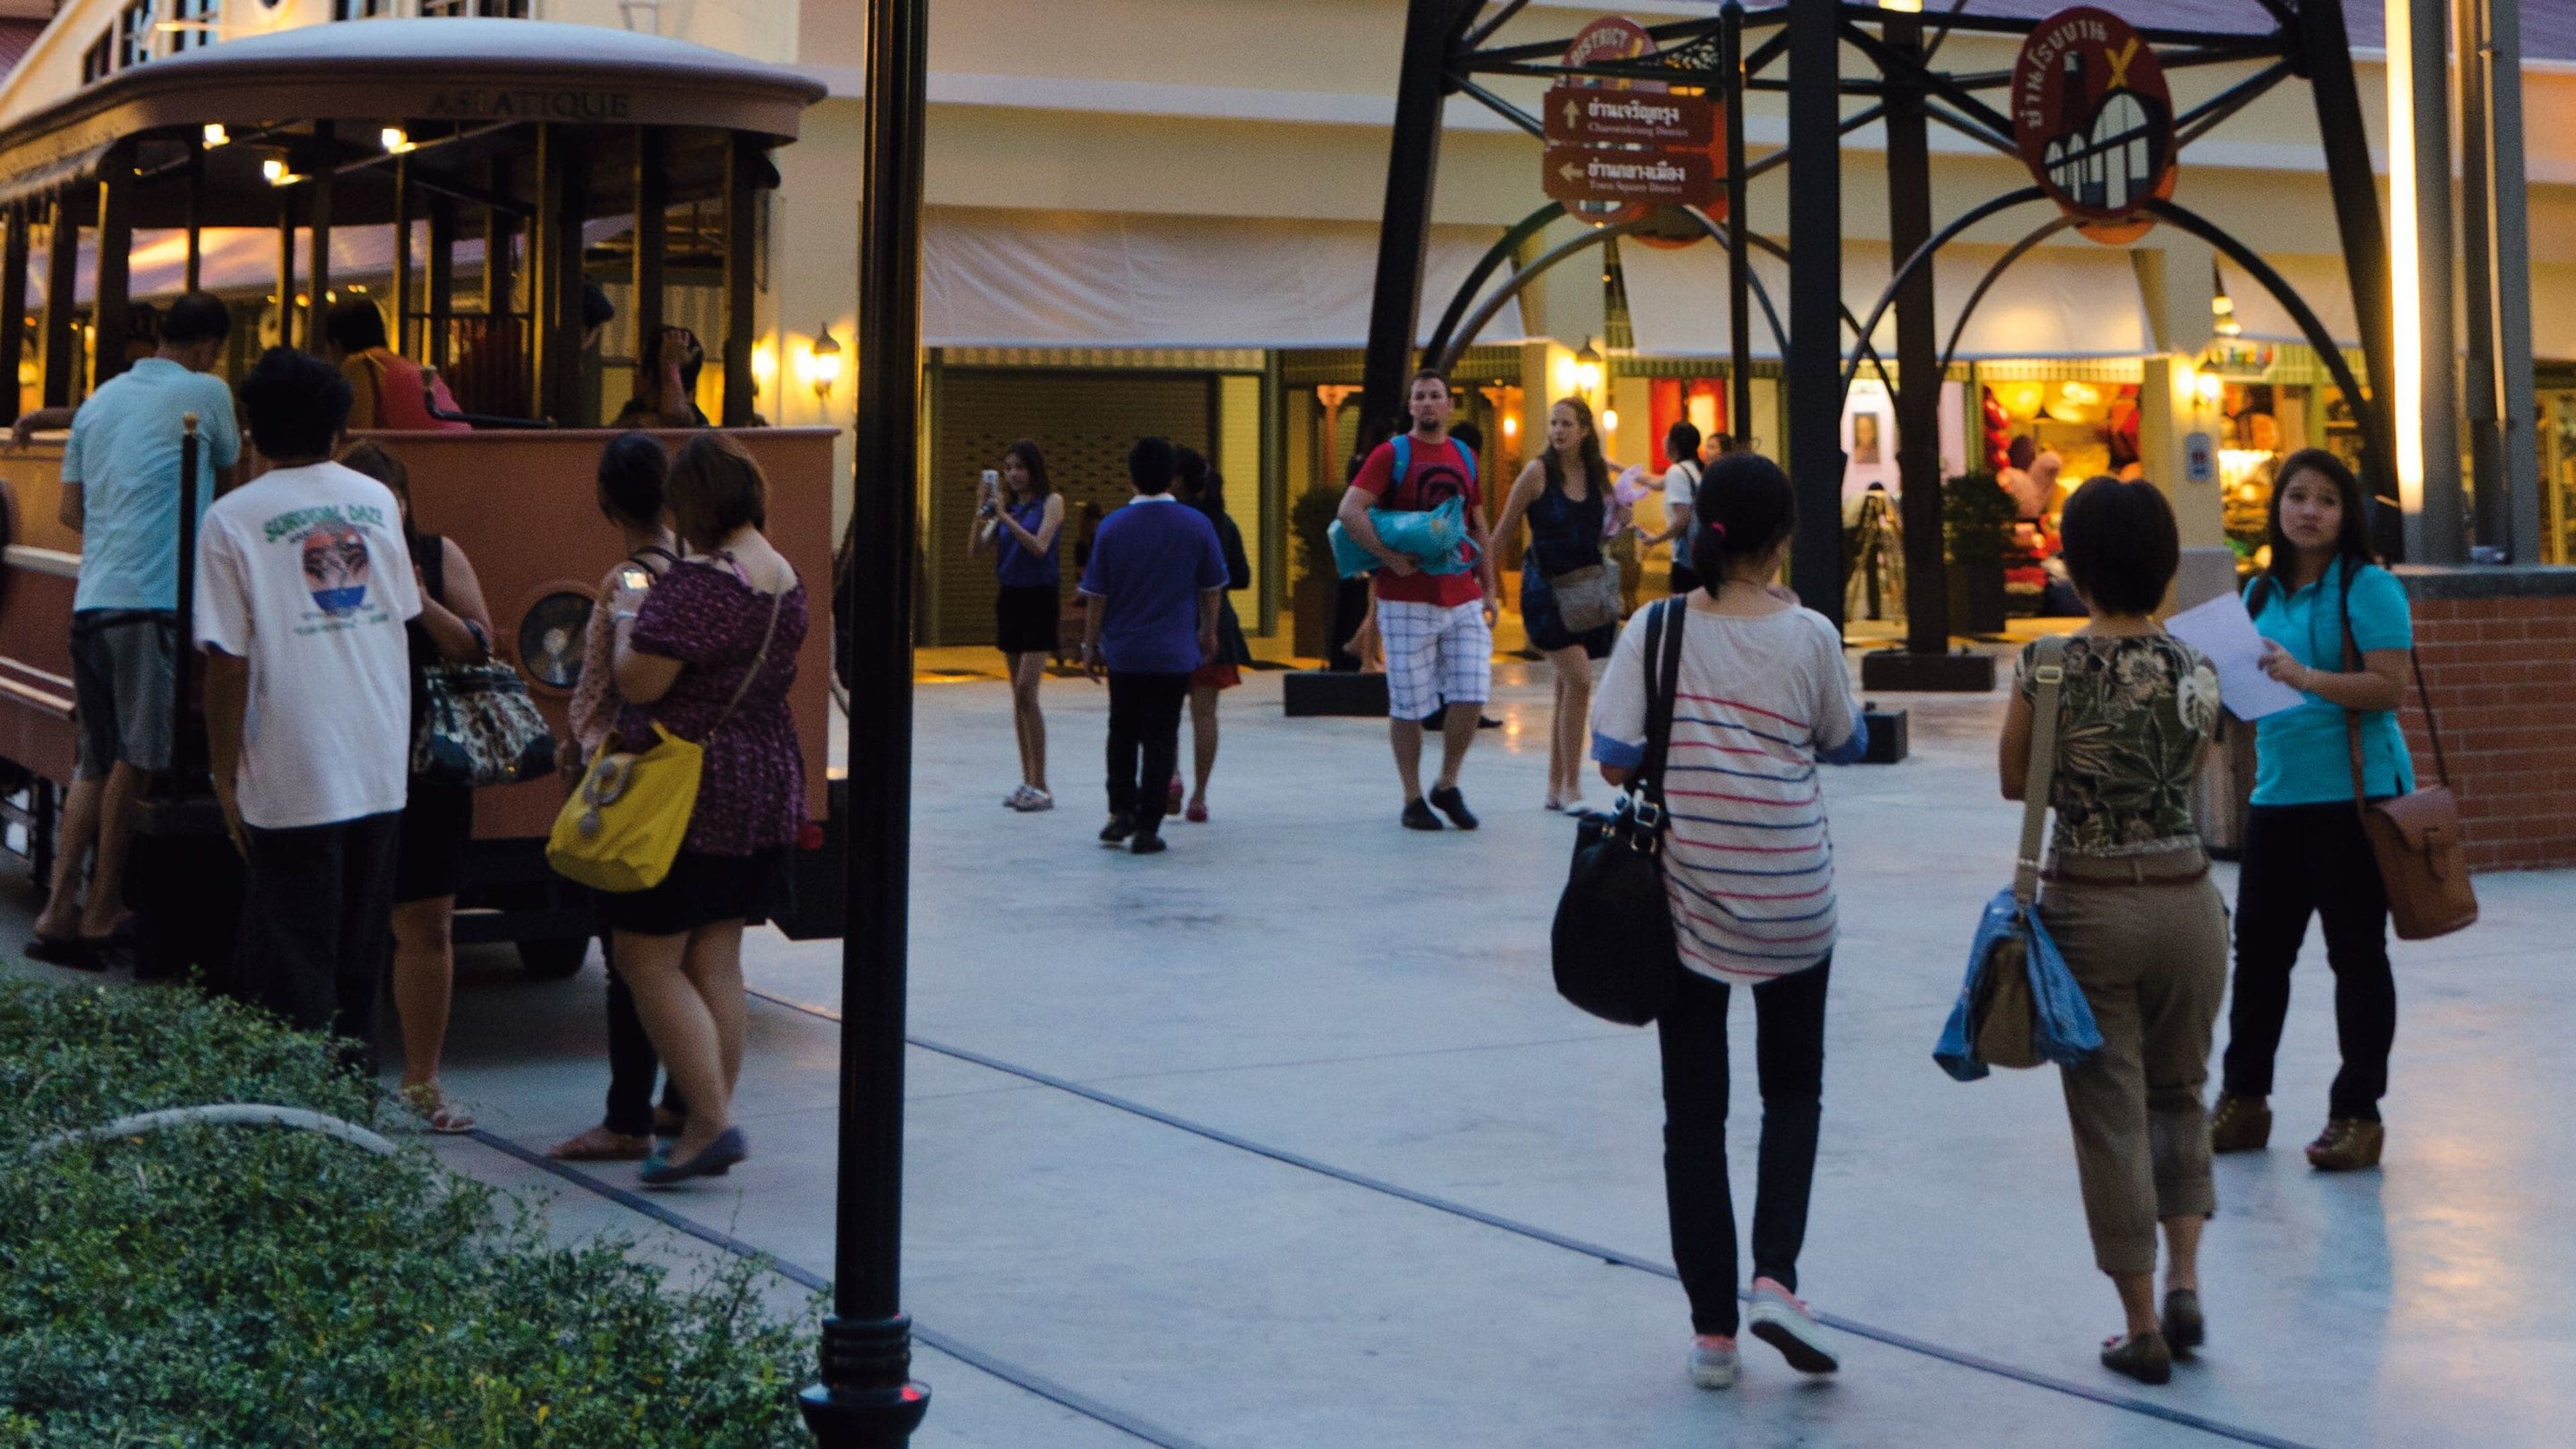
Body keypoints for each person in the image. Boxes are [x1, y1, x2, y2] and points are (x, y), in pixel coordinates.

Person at [1591, 452, 1865, 1391]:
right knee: (1793, 1092)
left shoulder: (1656, 629)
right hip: (1795, 898)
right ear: (1785, 537)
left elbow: (1616, 758)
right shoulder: (1812, 635)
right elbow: (1845, 738)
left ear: (1701, 524)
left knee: (1694, 1115)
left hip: (1686, 904)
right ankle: (1775, 1280)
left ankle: (1713, 1333)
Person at [1997, 476, 2226, 1386]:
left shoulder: (2048, 663)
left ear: (2077, 565)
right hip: (2189, 900)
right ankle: (2187, 1283)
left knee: (2111, 1121)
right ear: (2167, 565)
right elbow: (2197, 765)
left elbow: (2019, 781)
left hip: (2090, 902)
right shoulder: (2199, 668)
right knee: (2181, 1095)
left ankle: (2140, 1327)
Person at [196, 348, 422, 1061]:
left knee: (293, 969)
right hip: (379, 756)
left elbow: (227, 663)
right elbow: (401, 615)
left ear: (251, 427)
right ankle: (352, 1119)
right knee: (361, 957)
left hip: (292, 765)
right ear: (339, 428)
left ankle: (304, 1131)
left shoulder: (231, 519)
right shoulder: (377, 500)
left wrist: (223, 774)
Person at [601, 433, 805, 1185]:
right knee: (716, 955)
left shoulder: (699, 584)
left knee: (643, 955)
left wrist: (629, 612)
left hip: (689, 786)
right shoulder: (780, 575)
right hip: (761, 773)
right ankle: (695, 1112)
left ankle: (711, 1121)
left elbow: (640, 681)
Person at [2211, 447, 2414, 1173]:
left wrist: (2304, 676)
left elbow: (2389, 689)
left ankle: (2358, 1112)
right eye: (2297, 496)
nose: (2308, 511)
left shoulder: (2368, 588)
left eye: (2326, 500)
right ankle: (2243, 1100)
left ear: (2346, 513)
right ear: (2278, 506)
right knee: (2259, 957)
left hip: (2355, 800)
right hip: (2278, 797)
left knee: (2356, 957)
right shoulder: (2259, 594)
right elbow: (2249, 698)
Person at [25, 293, 238, 969]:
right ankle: (98, 910)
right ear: (211, 346)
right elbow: (229, 493)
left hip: (92, 601)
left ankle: (59, 911)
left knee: (96, 758)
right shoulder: (208, 391)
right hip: (150, 604)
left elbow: (69, 511)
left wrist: (124, 530)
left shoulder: (101, 401)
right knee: (140, 758)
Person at [337, 441, 494, 1132]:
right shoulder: (328, 555)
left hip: (428, 762)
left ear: (402, 503)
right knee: (349, 927)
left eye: (387, 502)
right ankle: (343, 1085)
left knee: (427, 926)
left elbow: (478, 644)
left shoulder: (435, 554)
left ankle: (422, 1082)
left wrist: (419, 598)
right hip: (347, 754)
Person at [550, 432, 690, 1163]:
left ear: (606, 499)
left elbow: (612, 683)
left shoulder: (632, 580)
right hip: (680, 778)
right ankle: (678, 1101)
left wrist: (579, 749)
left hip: (626, 778)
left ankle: (627, 1115)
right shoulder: (694, 571)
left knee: (628, 959)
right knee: (680, 955)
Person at [1336, 370, 1499, 830]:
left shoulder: (1465, 456)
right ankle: (1412, 798)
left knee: (1472, 690)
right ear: (1411, 406)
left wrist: (1489, 587)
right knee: (1408, 703)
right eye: (1420, 397)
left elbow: (1478, 524)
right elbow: (1350, 510)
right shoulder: (1392, 454)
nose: (1428, 404)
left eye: (1436, 396)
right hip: (1405, 597)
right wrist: (1388, 557)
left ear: (1451, 405)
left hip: (1462, 594)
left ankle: (1446, 784)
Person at [1078, 436, 1227, 855]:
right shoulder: (1195, 525)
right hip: (1173, 652)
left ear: (1131, 478)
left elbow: (1097, 595)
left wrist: (1091, 645)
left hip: (1125, 651)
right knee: (1162, 737)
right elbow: (1212, 586)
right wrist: (1209, 630)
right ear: (1173, 478)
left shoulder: (1110, 527)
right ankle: (1149, 825)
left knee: (1122, 731)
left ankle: (1119, 812)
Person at [1492, 396, 1628, 812]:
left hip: (1584, 594)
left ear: (1585, 430)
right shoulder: (1537, 473)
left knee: (1566, 686)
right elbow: (1501, 534)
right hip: (1545, 593)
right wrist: (1485, 587)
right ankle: (1572, 786)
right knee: (1581, 679)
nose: (1558, 431)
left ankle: (1555, 788)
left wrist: (1621, 520)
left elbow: (1599, 535)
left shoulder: (1596, 474)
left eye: (1566, 424)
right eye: (1553, 423)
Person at [969, 439, 1064, 812]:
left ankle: (1042, 784)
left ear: (1034, 469)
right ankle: (1027, 780)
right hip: (1010, 598)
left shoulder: (1051, 502)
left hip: (1040, 598)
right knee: (1017, 696)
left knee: (1028, 690)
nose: (1013, 475)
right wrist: (980, 512)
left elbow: (1040, 547)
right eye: (1007, 469)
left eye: (1020, 467)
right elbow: (976, 551)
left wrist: (1005, 517)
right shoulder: (1003, 510)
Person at [1174, 445, 1254, 823]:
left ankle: (1171, 775)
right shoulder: (1223, 521)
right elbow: (1241, 577)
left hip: (1172, 622)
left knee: (1166, 711)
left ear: (1175, 481)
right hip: (1216, 624)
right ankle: (1199, 797)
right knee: (1205, 715)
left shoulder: (1172, 519)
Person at [324, 297, 468, 432]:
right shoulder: (408, 366)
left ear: (336, 344)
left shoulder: (360, 365)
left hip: (430, 455)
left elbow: (355, 434)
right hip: (464, 448)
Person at [1645, 420, 1705, 596]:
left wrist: (1655, 539)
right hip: (1702, 556)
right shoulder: (1695, 470)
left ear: (1673, 443)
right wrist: (1617, 468)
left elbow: (1683, 518)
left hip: (1686, 560)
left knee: (1684, 614)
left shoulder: (1677, 472)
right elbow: (1653, 482)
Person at [614, 326, 712, 429]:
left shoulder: (695, 425)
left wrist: (671, 365)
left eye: (638, 366)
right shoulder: (635, 409)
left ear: (649, 375)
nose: (635, 374)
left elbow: (674, 413)